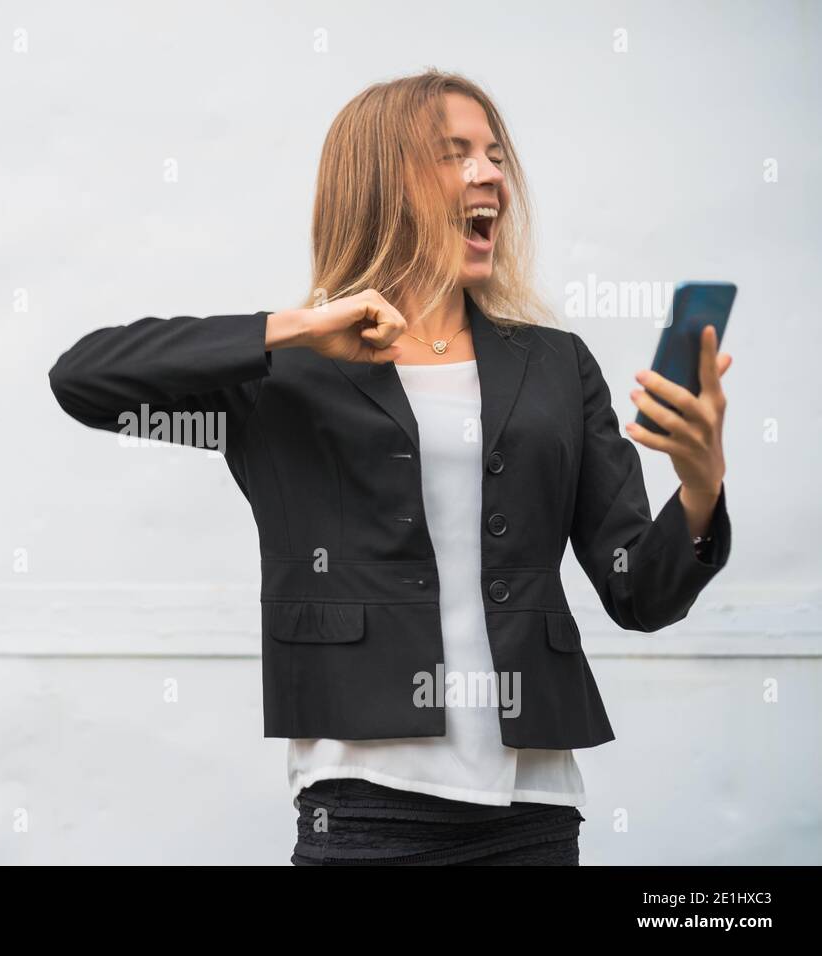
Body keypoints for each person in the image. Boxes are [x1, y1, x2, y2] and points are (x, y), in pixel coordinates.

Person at [48, 70, 732, 865]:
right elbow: (82, 380)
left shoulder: (556, 366)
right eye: (455, 155)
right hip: (364, 808)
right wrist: (297, 326)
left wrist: (700, 486)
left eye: (496, 155)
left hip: (535, 810)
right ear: (382, 183)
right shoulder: (285, 376)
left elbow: (638, 594)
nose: (490, 175)